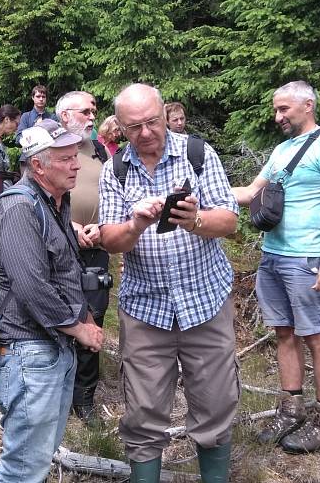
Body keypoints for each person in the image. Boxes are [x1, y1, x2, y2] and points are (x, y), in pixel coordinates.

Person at [99, 83, 240, 482]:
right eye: (133, 127)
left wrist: (194, 220)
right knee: (143, 411)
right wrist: (136, 224)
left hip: (205, 301)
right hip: (146, 308)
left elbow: (229, 221)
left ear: (165, 115)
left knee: (215, 402)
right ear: (120, 128)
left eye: (151, 122)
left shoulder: (198, 154)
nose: (144, 133)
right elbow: (110, 240)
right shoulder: (117, 169)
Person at [232, 80, 320, 453]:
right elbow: (252, 192)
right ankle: (291, 409)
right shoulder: (283, 149)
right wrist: (204, 192)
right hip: (272, 255)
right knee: (284, 333)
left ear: (308, 104)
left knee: (318, 336)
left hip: (307, 258)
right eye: (275, 109)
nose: (278, 116)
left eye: (284, 109)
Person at [0, 119, 104, 482]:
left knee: (39, 456)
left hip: (52, 348)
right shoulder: (19, 208)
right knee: (23, 466)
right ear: (38, 165)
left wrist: (84, 316)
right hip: (28, 352)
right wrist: (79, 328)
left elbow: (64, 272)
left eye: (75, 156)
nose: (77, 164)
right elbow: (32, 286)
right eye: (66, 158)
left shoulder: (55, 203)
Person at [56, 91, 111, 422]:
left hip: (97, 245)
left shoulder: (100, 149)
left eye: (94, 112)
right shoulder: (49, 146)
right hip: (58, 245)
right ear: (65, 116)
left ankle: (85, 397)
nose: (92, 117)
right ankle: (56, 387)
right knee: (59, 314)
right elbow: (37, 197)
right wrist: (71, 226)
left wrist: (104, 228)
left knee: (94, 316)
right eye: (86, 112)